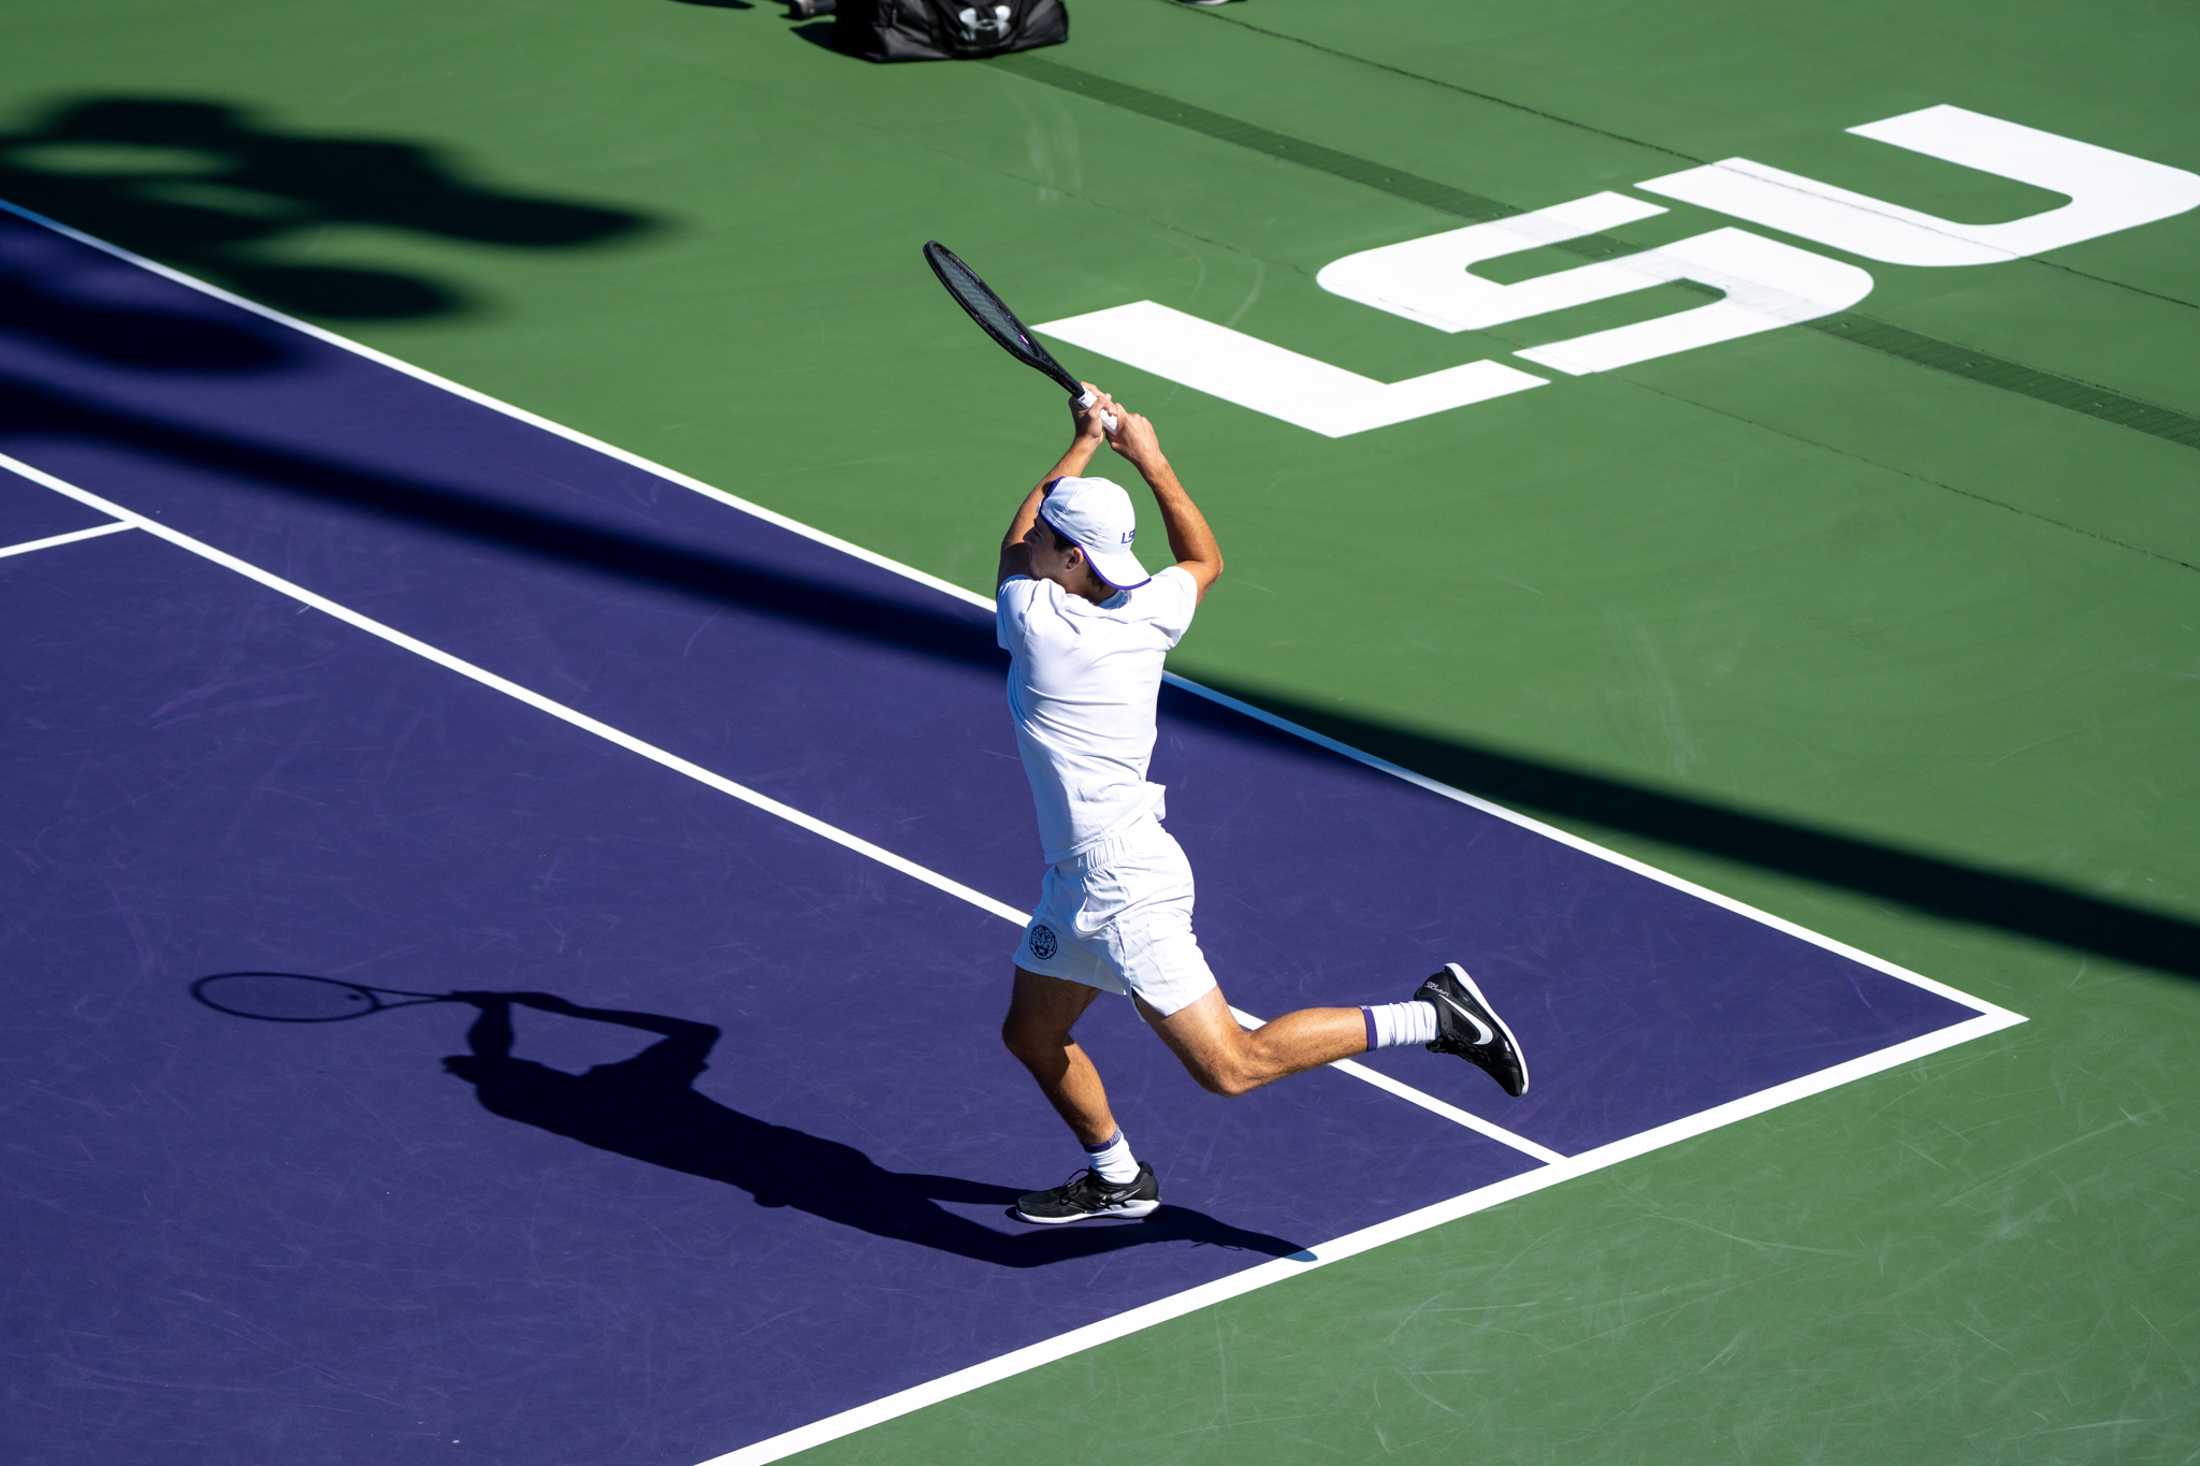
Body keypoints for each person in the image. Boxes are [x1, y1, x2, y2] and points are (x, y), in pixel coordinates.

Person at [995, 385, 1530, 1225]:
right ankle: (1117, 1178)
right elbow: (1203, 560)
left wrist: (1081, 443)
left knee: (1231, 1067)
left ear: (1068, 559)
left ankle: (1435, 1016)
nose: (1036, 554)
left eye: (1051, 548)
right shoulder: (1149, 612)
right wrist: (1151, 458)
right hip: (1085, 876)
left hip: (1125, 885)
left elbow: (1014, 539)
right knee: (1031, 1033)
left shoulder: (1040, 626)